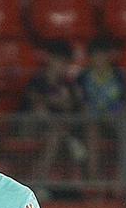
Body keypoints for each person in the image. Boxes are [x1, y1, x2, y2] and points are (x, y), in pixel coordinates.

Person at [24, 40, 84, 183]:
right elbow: (33, 101)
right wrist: (50, 101)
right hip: (35, 126)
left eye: (64, 62)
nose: (60, 65)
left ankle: (41, 181)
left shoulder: (68, 84)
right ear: (50, 59)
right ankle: (69, 141)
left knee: (56, 135)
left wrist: (65, 103)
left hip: (59, 129)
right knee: (40, 110)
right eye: (58, 60)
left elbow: (74, 109)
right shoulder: (38, 80)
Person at [74, 37, 125, 185]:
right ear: (91, 56)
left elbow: (123, 100)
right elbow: (79, 102)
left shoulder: (118, 76)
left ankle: (123, 180)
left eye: (103, 54)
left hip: (114, 119)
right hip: (90, 120)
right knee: (92, 131)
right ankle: (93, 179)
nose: (100, 58)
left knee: (125, 130)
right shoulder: (83, 77)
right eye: (97, 54)